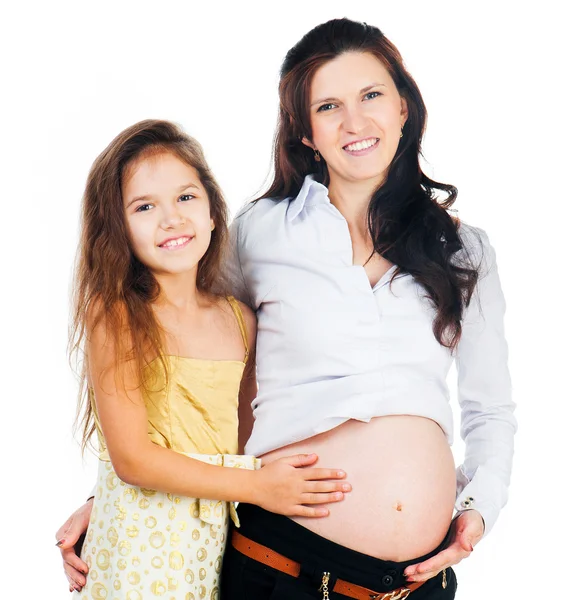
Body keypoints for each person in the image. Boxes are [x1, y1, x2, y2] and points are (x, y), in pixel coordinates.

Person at [58, 18, 516, 600]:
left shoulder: (464, 250)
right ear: (305, 132)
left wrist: (481, 507)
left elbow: (490, 409)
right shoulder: (259, 234)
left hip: (417, 585)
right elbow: (196, 357)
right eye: (329, 106)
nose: (355, 122)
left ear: (404, 106)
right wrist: (117, 492)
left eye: (372, 95)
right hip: (283, 569)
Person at [59, 119, 351, 599]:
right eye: (145, 206)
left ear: (215, 213)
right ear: (119, 228)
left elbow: (240, 438)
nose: (172, 219)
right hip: (138, 542)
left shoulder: (239, 320)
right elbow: (132, 459)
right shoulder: (116, 314)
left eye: (186, 198)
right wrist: (260, 489)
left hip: (210, 540)